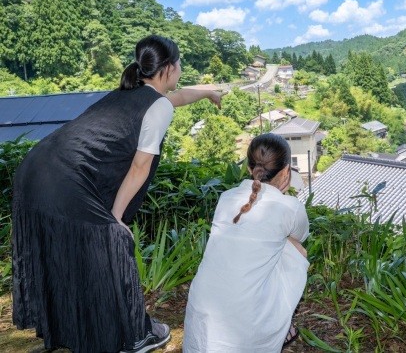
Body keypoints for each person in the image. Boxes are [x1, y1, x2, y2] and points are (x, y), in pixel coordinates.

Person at [11, 35, 225, 353]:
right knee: (115, 241)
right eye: (179, 64)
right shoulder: (157, 107)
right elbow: (140, 167)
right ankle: (134, 335)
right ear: (168, 68)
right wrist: (116, 216)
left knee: (69, 250)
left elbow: (175, 98)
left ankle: (69, 330)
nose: (181, 70)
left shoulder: (132, 93)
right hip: (65, 179)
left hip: (34, 169)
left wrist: (207, 92)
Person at [183, 133, 310, 353]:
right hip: (247, 320)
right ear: (286, 171)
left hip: (202, 310)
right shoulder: (289, 206)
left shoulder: (226, 197)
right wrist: (282, 194)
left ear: (249, 168)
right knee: (295, 250)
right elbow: (299, 238)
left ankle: (281, 324)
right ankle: (278, 323)